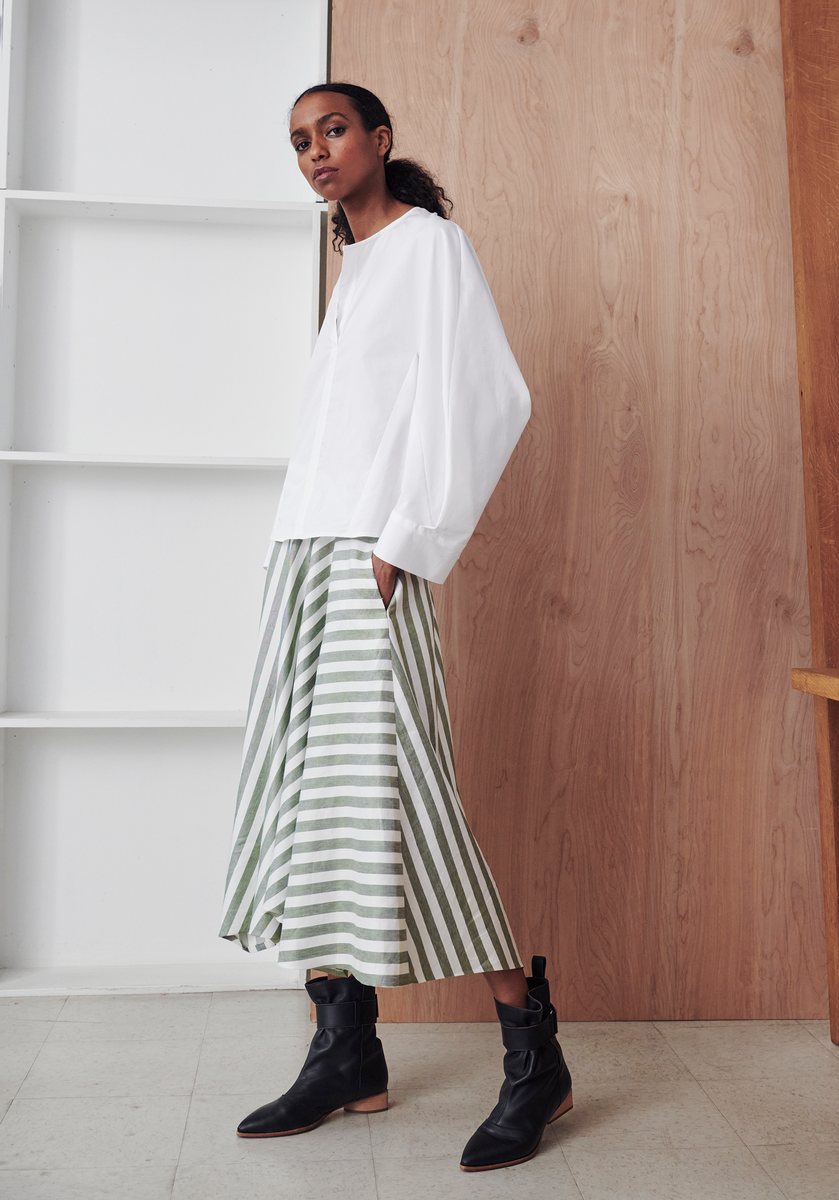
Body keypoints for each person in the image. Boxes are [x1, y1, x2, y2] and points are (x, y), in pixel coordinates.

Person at [219, 81, 571, 1172]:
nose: (315, 152)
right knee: (304, 797)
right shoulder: (360, 264)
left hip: (371, 554)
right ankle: (346, 1052)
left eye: (331, 132)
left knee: (402, 790)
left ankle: (534, 1056)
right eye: (298, 142)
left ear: (378, 140)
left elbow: (488, 396)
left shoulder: (430, 248)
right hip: (307, 555)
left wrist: (401, 543)